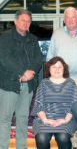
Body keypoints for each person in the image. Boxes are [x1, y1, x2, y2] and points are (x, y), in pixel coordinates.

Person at [0, 9, 43, 149]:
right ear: (15, 21)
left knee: (23, 118)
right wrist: (22, 72)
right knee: (5, 119)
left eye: (28, 21)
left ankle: (21, 146)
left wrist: (30, 73)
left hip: (28, 85)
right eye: (23, 20)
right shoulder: (5, 37)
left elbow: (38, 60)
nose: (26, 23)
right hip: (9, 84)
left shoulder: (33, 39)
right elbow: (5, 59)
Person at [31, 57, 77, 149]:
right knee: (41, 138)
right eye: (54, 67)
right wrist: (45, 120)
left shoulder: (71, 83)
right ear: (49, 69)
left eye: (59, 67)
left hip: (65, 119)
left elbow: (74, 104)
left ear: (64, 69)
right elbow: (38, 105)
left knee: (63, 138)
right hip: (44, 119)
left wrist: (65, 120)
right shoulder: (44, 83)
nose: (57, 70)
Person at [47, 7, 77, 90]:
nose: (70, 20)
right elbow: (50, 57)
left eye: (73, 17)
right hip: (60, 79)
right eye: (67, 17)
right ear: (64, 20)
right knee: (61, 102)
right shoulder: (56, 34)